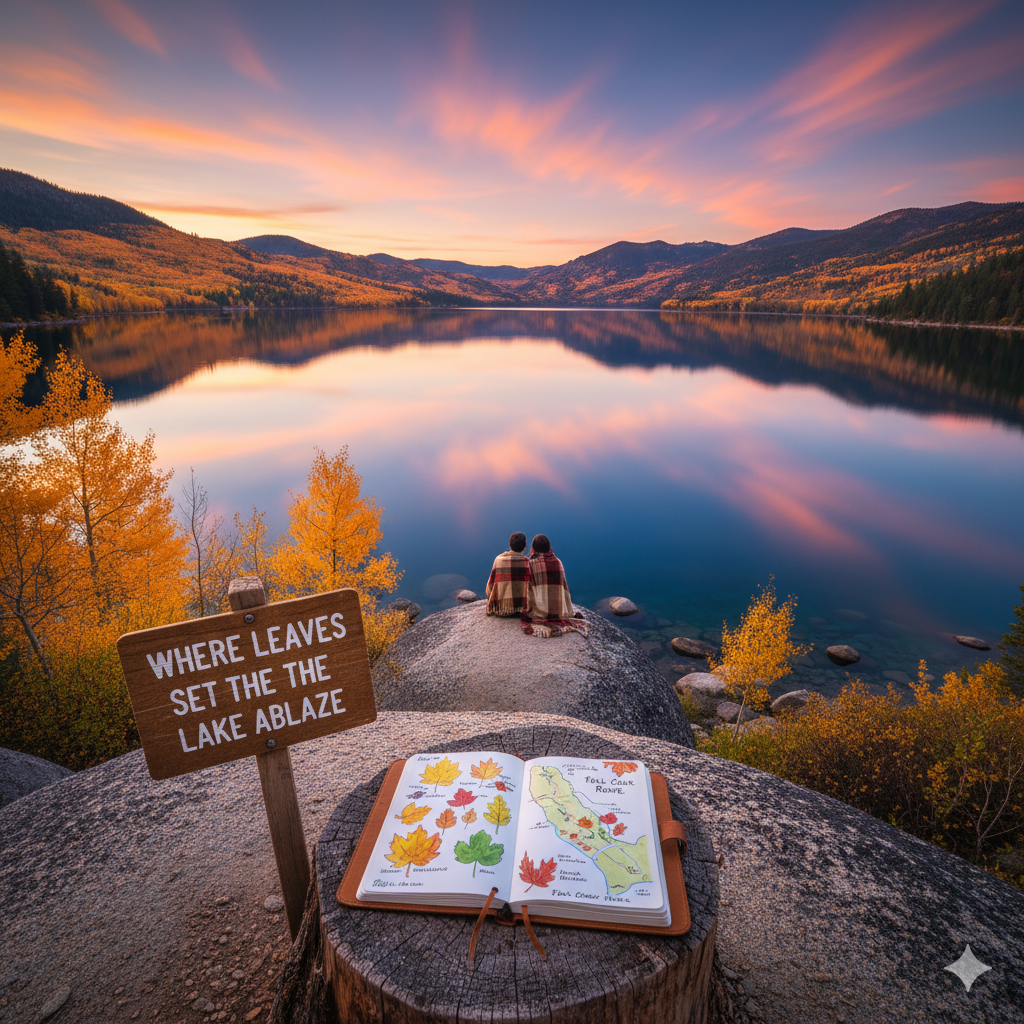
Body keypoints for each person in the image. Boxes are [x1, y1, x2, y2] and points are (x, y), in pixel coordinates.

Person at [522, 534, 587, 637]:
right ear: (549, 547)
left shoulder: (530, 564)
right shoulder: (558, 562)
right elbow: (563, 588)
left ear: (533, 548)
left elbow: (526, 590)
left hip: (538, 613)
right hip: (558, 611)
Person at [485, 532, 531, 616]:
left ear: (510, 545)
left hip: (500, 609)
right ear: (524, 547)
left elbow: (489, 586)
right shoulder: (528, 563)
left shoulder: (499, 560)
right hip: (522, 609)